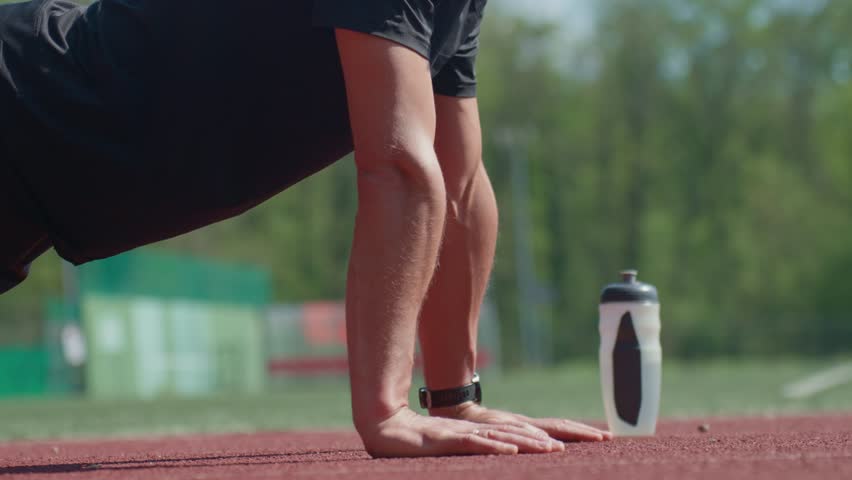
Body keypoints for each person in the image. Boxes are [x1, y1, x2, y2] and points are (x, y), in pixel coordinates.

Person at [0, 0, 612, 457]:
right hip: (21, 108)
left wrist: (456, 399)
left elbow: (460, 180)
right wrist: (384, 410)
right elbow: (398, 164)